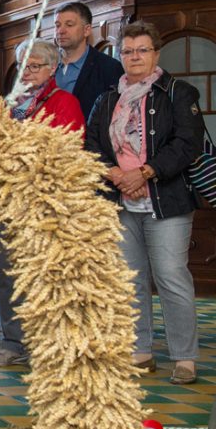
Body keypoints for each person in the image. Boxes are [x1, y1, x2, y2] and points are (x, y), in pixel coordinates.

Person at [84, 22, 204, 384]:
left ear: (156, 53)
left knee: (171, 277)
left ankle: (184, 358)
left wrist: (147, 172)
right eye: (128, 51)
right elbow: (91, 145)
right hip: (121, 202)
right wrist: (116, 174)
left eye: (142, 50)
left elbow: (187, 143)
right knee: (131, 279)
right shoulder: (107, 98)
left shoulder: (177, 93)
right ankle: (141, 350)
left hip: (166, 201)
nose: (135, 57)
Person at [0, 39, 85, 367]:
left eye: (35, 66)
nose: (28, 73)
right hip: (8, 199)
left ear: (52, 68)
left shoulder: (64, 102)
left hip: (45, 201)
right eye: (23, 67)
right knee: (9, 273)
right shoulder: (7, 105)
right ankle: (13, 341)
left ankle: (48, 344)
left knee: (45, 274)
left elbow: (67, 151)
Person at [53, 1, 125, 120]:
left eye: (69, 25)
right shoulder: (44, 65)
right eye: (57, 25)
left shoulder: (109, 68)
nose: (61, 30)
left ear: (86, 30)